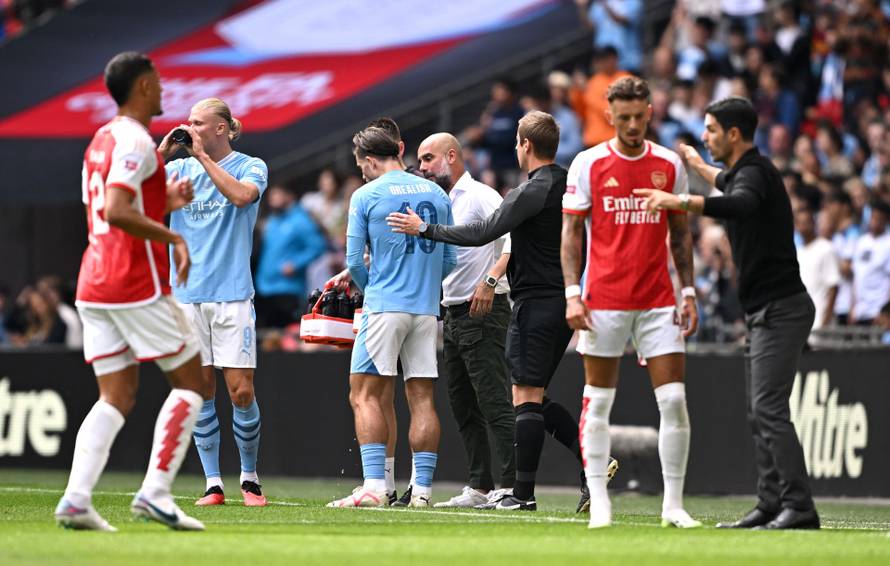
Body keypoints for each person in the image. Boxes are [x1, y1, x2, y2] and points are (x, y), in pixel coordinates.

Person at [388, 111, 617, 512]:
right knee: (533, 397)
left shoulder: (531, 190)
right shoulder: (567, 183)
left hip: (536, 301)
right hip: (561, 297)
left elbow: (483, 232)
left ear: (525, 145)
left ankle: (522, 494)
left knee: (523, 396)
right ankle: (593, 465)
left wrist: (425, 229)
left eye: (516, 141)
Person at [635, 96, 820, 530]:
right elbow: (724, 180)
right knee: (760, 412)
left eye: (712, 130)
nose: (705, 136)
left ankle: (799, 506)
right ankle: (770, 504)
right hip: (764, 312)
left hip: (781, 310)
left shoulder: (754, 174)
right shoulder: (745, 172)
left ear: (734, 134)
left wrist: (678, 200)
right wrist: (696, 164)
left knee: (769, 409)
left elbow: (739, 203)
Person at [55, 51, 205, 531]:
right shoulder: (138, 140)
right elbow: (117, 210)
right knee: (194, 382)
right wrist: (174, 237)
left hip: (94, 281)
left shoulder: (101, 139)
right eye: (157, 81)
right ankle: (156, 493)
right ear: (142, 86)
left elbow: (112, 207)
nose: (162, 89)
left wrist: (164, 201)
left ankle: (76, 499)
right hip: (134, 281)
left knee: (115, 395)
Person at [562, 76, 701, 530]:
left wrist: (688, 291)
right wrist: (572, 293)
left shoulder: (668, 164)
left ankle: (673, 506)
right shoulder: (587, 164)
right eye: (624, 118)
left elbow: (680, 234)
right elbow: (571, 234)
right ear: (610, 116)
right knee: (599, 402)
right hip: (603, 300)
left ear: (650, 113)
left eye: (640, 116)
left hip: (658, 299)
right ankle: (600, 501)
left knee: (674, 400)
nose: (633, 125)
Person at [326, 126, 456, 508]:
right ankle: (423, 493)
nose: (362, 173)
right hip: (426, 310)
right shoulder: (437, 193)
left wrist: (374, 290)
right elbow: (450, 258)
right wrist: (424, 286)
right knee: (422, 398)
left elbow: (353, 261)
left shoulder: (366, 195)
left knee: (363, 394)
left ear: (369, 160)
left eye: (361, 167)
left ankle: (374, 487)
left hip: (384, 306)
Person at [158, 97, 270, 507]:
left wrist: (202, 157)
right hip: (187, 296)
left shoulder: (250, 165)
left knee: (240, 391)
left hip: (231, 294)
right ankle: (213, 483)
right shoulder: (177, 170)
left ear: (221, 128)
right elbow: (132, 195)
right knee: (200, 389)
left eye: (198, 123)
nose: (189, 128)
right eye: (188, 122)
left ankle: (249, 477)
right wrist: (160, 154)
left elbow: (242, 196)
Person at [413, 132, 515, 509]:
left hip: (484, 308)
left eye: (428, 159)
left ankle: (512, 485)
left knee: (492, 398)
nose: (422, 167)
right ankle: (480, 484)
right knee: (462, 404)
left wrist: (490, 281)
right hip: (453, 311)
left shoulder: (480, 195)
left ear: (451, 156)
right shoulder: (439, 201)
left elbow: (512, 242)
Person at [255, 185, 327, 328]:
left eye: (277, 195)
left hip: (288, 288)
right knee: (267, 336)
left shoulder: (300, 219)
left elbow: (317, 246)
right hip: (265, 287)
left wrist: (296, 264)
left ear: (289, 196)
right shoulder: (272, 220)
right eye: (271, 196)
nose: (273, 199)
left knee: (288, 334)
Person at [794, 208, 840, 340]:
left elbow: (833, 287)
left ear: (814, 223)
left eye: (807, 222)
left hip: (820, 324)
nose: (803, 226)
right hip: (802, 323)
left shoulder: (826, 248)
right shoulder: (798, 252)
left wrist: (825, 322)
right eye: (800, 223)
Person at [850, 199, 890, 325]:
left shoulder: (888, 243)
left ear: (886, 220)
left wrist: (886, 311)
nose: (875, 221)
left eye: (879, 218)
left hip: (878, 311)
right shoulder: (861, 242)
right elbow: (856, 277)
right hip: (859, 312)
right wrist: (853, 307)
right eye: (873, 217)